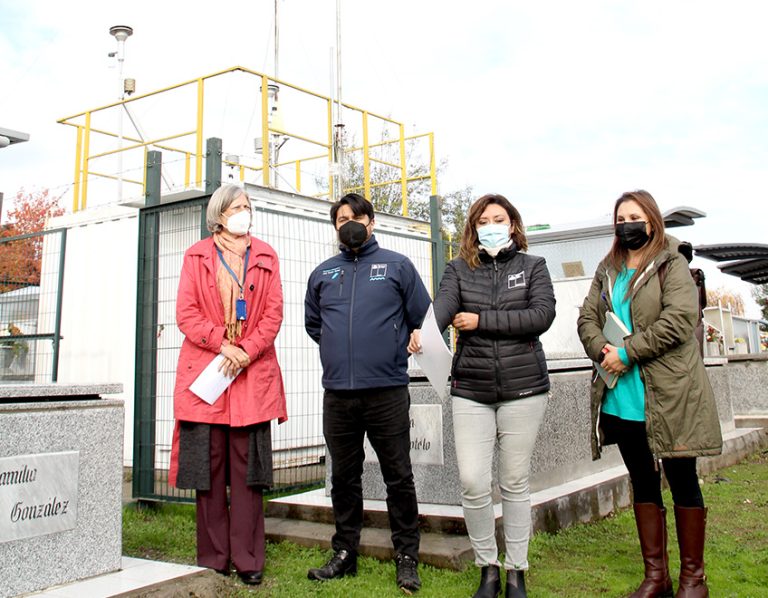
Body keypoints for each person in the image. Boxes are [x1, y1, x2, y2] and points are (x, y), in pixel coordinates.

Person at [409, 193, 556, 598]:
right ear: (473, 228)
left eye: (499, 218)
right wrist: (426, 330)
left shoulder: (533, 267)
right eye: (483, 220)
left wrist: (480, 321)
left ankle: (516, 571)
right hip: (471, 390)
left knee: (513, 481)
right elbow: (444, 306)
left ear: (512, 225)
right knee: (473, 481)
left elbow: (541, 316)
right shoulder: (458, 269)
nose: (491, 225)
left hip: (523, 388)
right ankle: (487, 567)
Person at [577, 190, 722, 598]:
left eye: (634, 216)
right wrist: (602, 350)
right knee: (642, 480)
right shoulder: (608, 268)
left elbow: (680, 319)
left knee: (682, 480)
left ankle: (694, 579)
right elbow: (587, 317)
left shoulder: (672, 262)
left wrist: (628, 353)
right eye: (621, 217)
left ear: (652, 221)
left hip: (670, 395)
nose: (627, 223)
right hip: (623, 397)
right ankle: (655, 576)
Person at [304, 192, 431, 594]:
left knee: (398, 476)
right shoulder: (323, 273)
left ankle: (407, 557)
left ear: (371, 221)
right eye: (342, 218)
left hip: (388, 391)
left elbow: (424, 319)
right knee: (344, 478)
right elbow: (314, 325)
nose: (350, 222)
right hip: (338, 394)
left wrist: (404, 340)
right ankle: (345, 552)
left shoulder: (397, 266)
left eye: (356, 216)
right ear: (335, 227)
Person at [168, 183, 287, 586]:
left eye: (248, 206)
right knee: (210, 471)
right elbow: (186, 313)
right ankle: (214, 557)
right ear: (219, 215)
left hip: (251, 376)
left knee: (249, 472)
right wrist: (223, 343)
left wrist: (245, 350)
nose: (244, 212)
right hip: (208, 377)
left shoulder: (267, 256)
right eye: (237, 206)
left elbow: (272, 315)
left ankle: (250, 559)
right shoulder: (196, 256)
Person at [678, 241, 707, 356]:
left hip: (682, 326)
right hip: (696, 323)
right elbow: (704, 303)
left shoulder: (670, 276)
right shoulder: (697, 275)